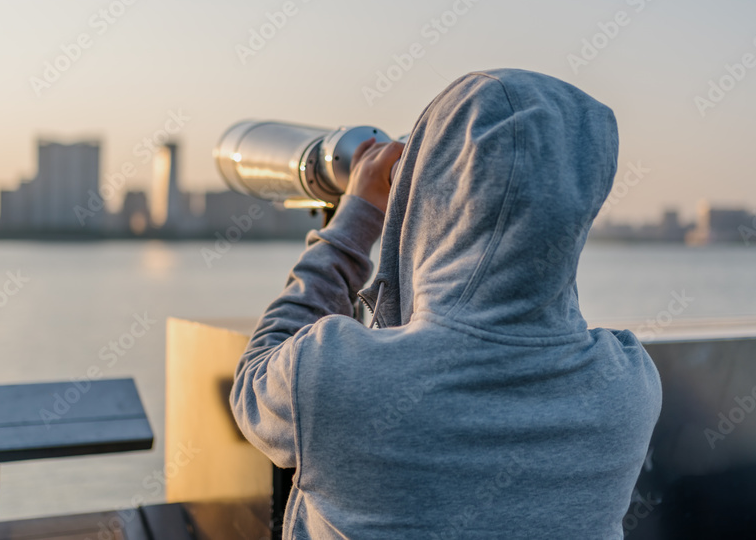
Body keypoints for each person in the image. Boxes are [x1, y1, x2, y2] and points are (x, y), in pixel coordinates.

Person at [230, 68, 663, 538]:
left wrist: (354, 219)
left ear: (429, 193)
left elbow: (256, 376)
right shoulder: (629, 385)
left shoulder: (333, 377)